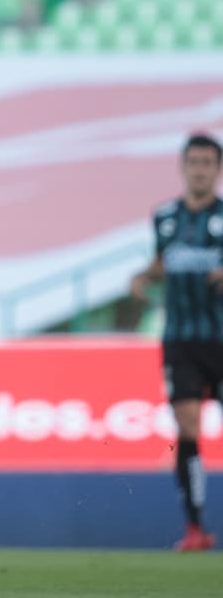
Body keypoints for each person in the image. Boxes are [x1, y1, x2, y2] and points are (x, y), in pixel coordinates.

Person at [130, 132, 223, 552]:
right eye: (194, 162)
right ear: (184, 167)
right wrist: (143, 277)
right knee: (187, 427)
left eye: (207, 163)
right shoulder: (165, 217)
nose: (200, 170)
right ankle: (195, 528)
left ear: (217, 169)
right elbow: (162, 260)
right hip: (181, 342)